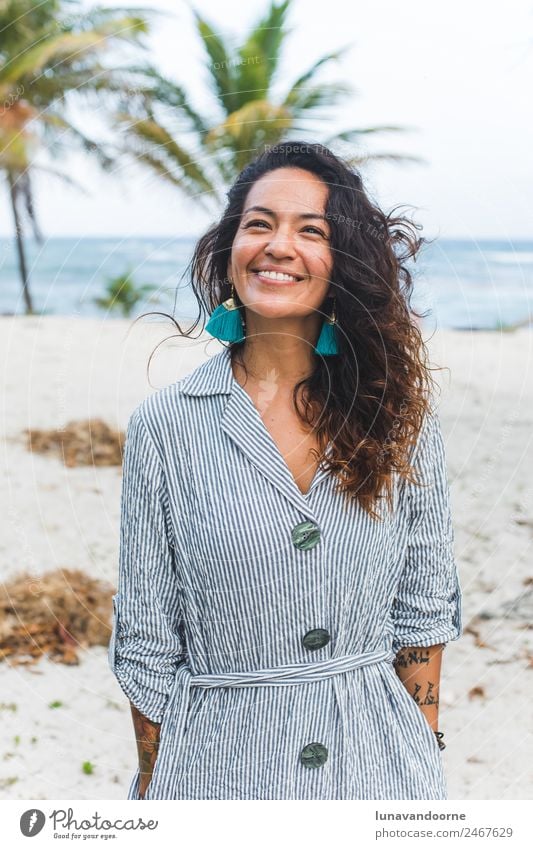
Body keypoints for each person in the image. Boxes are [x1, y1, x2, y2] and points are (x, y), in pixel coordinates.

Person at [108, 141, 462, 800]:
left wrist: (422, 756)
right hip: (215, 770)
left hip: (377, 771)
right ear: (230, 246)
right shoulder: (165, 425)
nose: (278, 244)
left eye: (310, 230)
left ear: (342, 260)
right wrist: (160, 790)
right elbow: (146, 640)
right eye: (259, 223)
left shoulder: (398, 414)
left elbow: (422, 611)